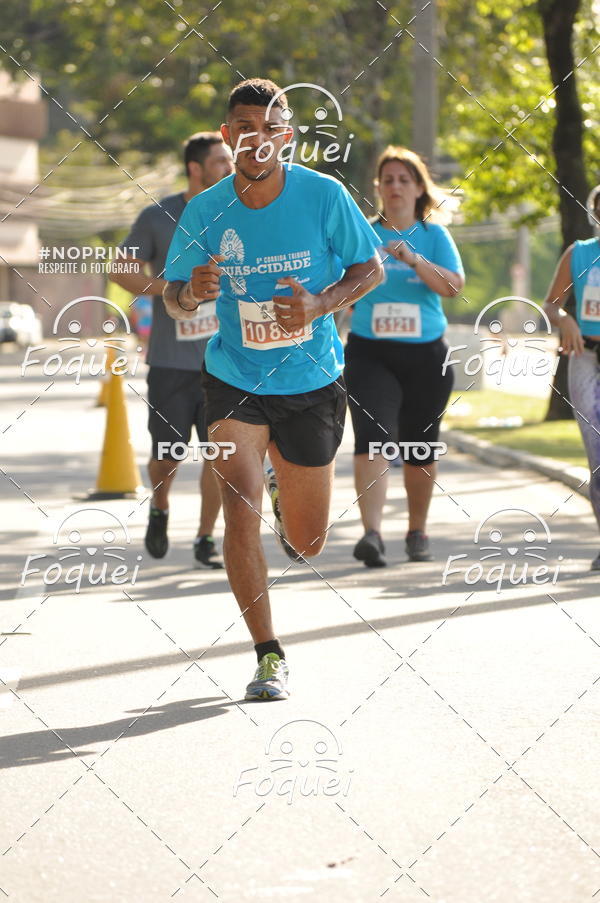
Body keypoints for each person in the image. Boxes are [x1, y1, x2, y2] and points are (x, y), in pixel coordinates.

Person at [163, 78, 383, 700]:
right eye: (243, 128)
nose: (254, 140)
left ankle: (292, 492)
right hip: (233, 375)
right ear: (228, 135)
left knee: (307, 542)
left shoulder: (323, 196)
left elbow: (369, 268)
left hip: (312, 380)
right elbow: (176, 298)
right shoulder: (206, 210)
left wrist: (320, 304)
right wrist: (191, 292)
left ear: (285, 137)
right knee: (240, 505)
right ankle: (267, 653)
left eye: (268, 129)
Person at [109, 133, 233, 567]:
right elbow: (121, 268)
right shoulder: (159, 216)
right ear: (195, 168)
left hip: (226, 364)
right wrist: (174, 291)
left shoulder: (242, 211)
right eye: (220, 161)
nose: (230, 167)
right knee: (167, 455)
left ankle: (205, 538)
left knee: (221, 455)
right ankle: (160, 507)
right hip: (170, 362)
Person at [344, 146, 464, 567]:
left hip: (426, 357)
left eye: (403, 180)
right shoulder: (363, 233)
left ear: (418, 189)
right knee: (372, 436)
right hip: (370, 353)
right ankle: (372, 534)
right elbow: (342, 283)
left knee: (420, 447)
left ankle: (417, 531)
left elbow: (453, 287)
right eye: (388, 180)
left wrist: (414, 260)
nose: (395, 186)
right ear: (378, 188)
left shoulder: (434, 236)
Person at [543, 184, 600, 570]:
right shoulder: (579, 253)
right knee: (596, 454)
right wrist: (564, 319)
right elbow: (550, 304)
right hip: (586, 358)